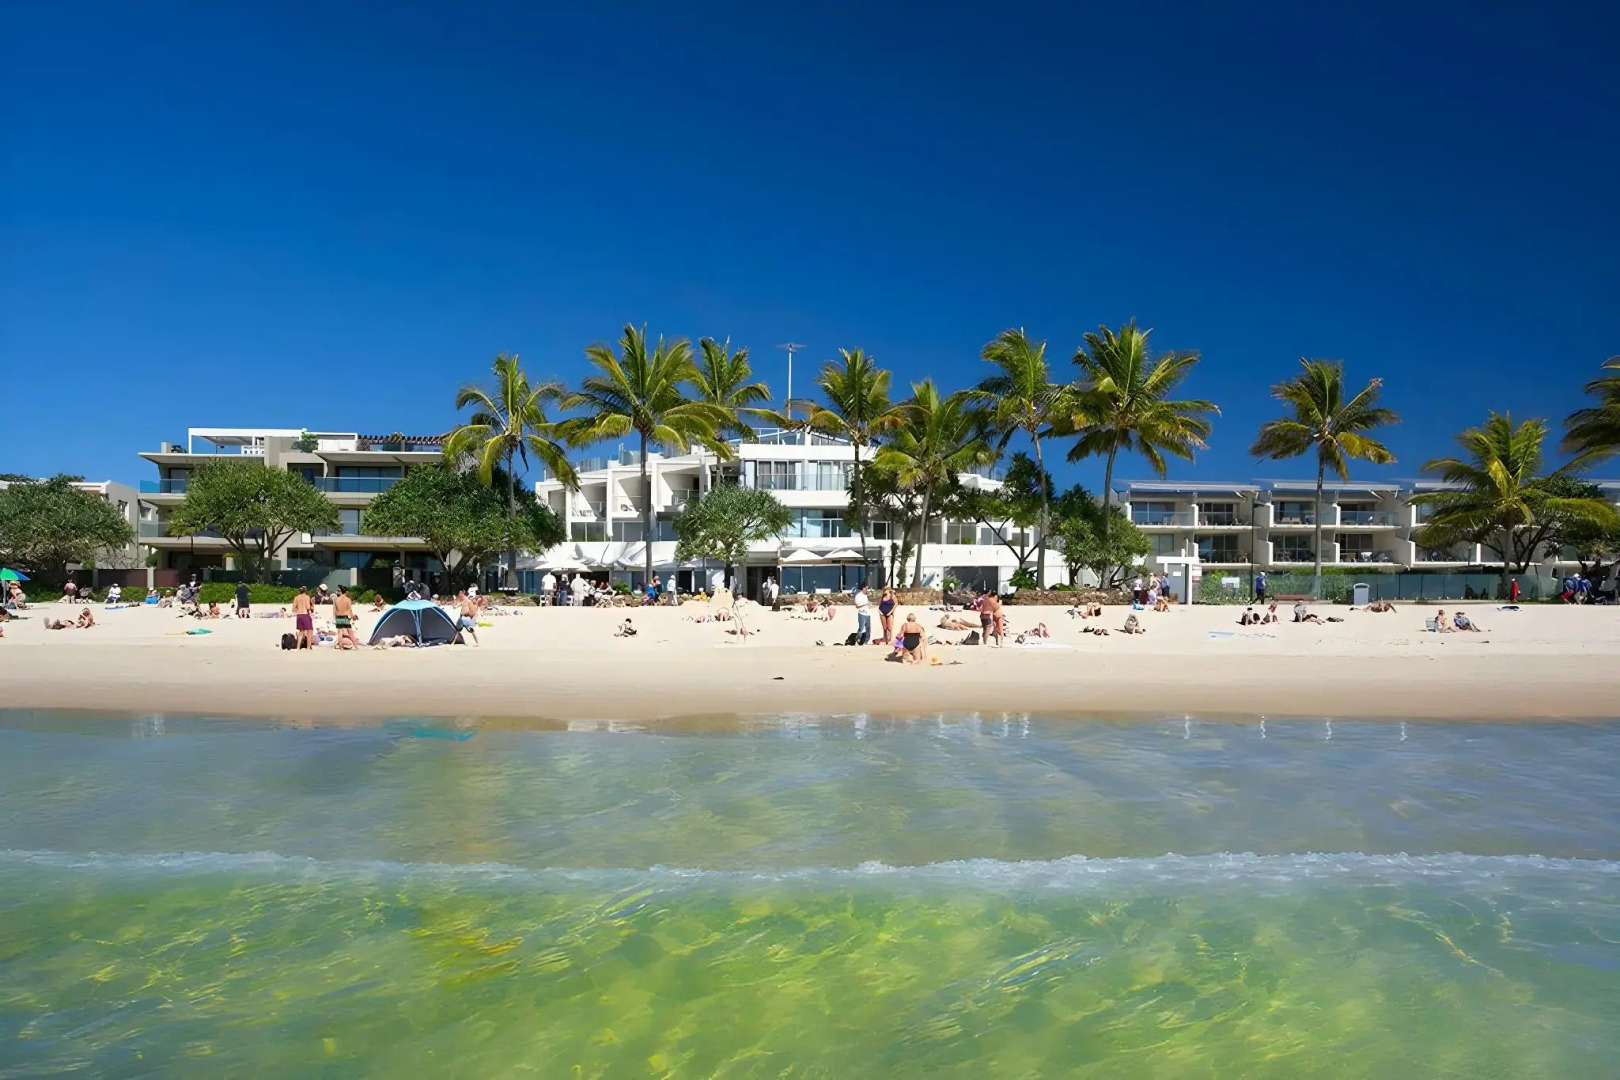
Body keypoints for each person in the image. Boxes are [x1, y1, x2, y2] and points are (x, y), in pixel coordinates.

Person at [331, 585, 360, 650]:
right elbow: (350, 610)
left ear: (340, 591)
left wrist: (335, 618)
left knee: (340, 632)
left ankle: (340, 647)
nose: (337, 592)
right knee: (350, 632)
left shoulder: (336, 600)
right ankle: (356, 646)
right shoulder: (348, 599)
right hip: (345, 617)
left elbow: (335, 611)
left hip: (339, 616)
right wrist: (353, 617)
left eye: (338, 591)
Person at [291, 586, 315, 650]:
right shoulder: (307, 597)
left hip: (299, 615)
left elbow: (294, 608)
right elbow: (308, 607)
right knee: (309, 631)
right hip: (305, 614)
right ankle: (308, 647)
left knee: (301, 632)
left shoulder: (296, 597)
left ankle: (298, 647)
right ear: (305, 591)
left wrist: (299, 609)